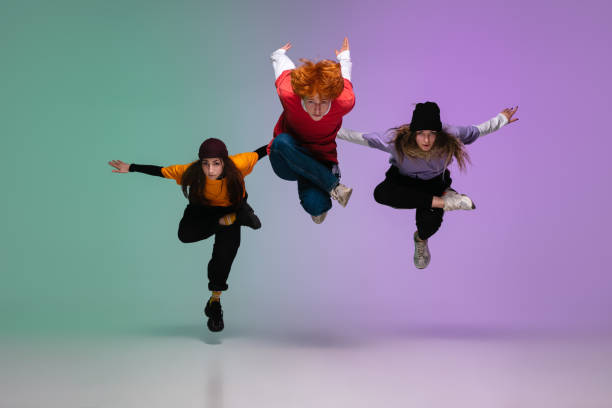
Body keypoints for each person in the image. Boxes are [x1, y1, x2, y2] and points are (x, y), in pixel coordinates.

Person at [108, 138, 266, 331]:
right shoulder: (190, 172)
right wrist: (131, 167)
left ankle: (214, 303)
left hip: (232, 207)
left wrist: (295, 137)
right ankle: (235, 218)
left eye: (216, 163)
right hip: (205, 211)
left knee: (223, 258)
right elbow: (161, 171)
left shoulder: (240, 164)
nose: (210, 170)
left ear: (225, 161)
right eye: (205, 164)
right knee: (185, 235)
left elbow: (266, 150)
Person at [337, 102, 519, 268]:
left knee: (429, 225)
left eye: (431, 134)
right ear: (413, 133)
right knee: (381, 194)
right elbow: (359, 137)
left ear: (438, 133)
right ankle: (445, 201)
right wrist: (326, 128)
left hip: (434, 185)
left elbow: (477, 130)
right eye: (421, 134)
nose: (426, 140)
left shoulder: (451, 136)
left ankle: (422, 237)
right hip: (402, 182)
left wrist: (501, 119)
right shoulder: (395, 141)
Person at [267, 37, 355, 224]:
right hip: (285, 158)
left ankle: (316, 180)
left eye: (323, 102)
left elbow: (345, 79)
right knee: (281, 141)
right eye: (311, 102)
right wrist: (278, 54)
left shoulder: (344, 101)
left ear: (332, 98)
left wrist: (345, 58)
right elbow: (282, 69)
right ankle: (334, 186)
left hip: (321, 160)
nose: (317, 109)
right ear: (302, 97)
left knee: (316, 208)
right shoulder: (288, 94)